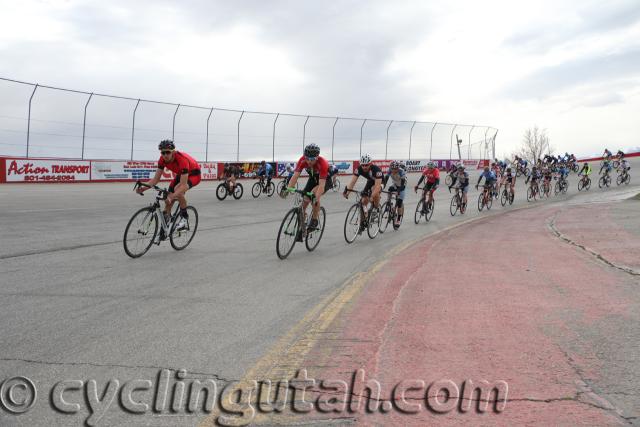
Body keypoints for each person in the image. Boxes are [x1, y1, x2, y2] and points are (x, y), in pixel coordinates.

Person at [137, 139, 200, 231]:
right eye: (163, 153)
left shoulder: (182, 160)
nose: (165, 155)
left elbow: (183, 186)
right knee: (168, 202)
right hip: (181, 174)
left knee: (177, 190)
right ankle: (168, 223)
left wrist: (172, 196)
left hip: (194, 174)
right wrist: (143, 188)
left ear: (173, 152)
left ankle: (184, 220)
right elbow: (156, 179)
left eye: (167, 152)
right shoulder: (162, 160)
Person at [287, 144, 330, 240]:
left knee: (314, 195)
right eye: (307, 159)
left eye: (312, 159)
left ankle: (314, 220)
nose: (309, 162)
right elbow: (295, 175)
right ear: (304, 156)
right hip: (313, 179)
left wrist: (316, 199)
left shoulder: (322, 163)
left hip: (324, 180)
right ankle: (303, 228)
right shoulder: (302, 160)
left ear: (317, 157)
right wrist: (289, 188)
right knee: (304, 201)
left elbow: (321, 185)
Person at [344, 154, 384, 231]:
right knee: (363, 201)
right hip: (370, 181)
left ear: (370, 164)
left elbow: (377, 186)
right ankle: (363, 222)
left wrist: (372, 196)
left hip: (380, 182)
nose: (364, 167)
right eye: (363, 165)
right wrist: (348, 192)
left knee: (375, 191)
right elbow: (352, 182)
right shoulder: (359, 169)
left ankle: (376, 208)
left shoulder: (376, 170)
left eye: (366, 165)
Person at [382, 160, 407, 228]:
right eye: (392, 168)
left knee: (399, 203)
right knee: (389, 189)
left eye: (395, 169)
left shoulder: (401, 171)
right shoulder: (390, 170)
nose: (393, 170)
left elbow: (402, 184)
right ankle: (388, 203)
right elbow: (386, 179)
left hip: (402, 186)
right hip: (395, 184)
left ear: (398, 168)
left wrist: (398, 191)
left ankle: (398, 219)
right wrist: (382, 186)